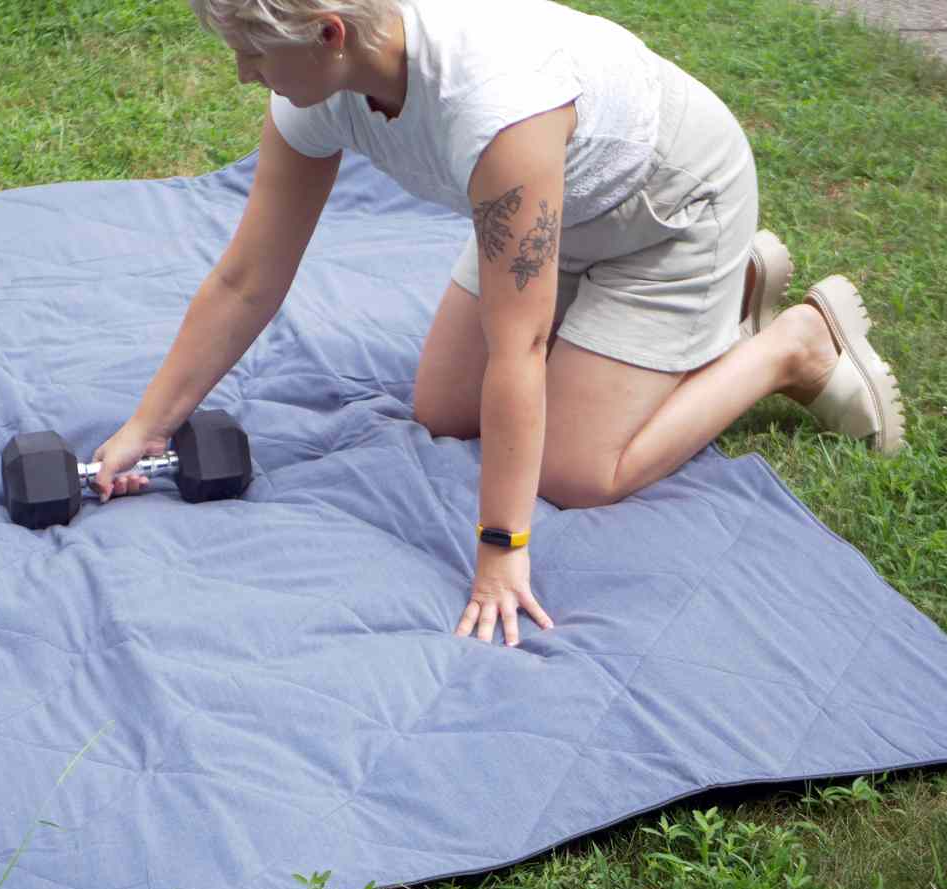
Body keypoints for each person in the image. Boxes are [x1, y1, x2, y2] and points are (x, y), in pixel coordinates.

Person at [90, 0, 905, 647]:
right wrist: (146, 427)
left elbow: (520, 347)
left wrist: (501, 550)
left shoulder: (493, 103)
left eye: (253, 52)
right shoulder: (324, 88)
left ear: (330, 34)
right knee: (444, 407)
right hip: (551, 213)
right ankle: (727, 292)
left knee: (576, 471)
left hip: (668, 216)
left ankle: (788, 345)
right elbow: (247, 280)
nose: (243, 72)